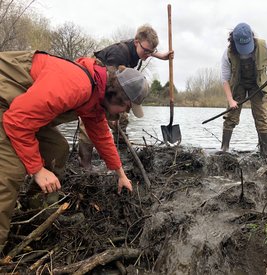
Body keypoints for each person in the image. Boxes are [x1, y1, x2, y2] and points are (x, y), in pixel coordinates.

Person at [0, 50, 149, 253]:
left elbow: (102, 137)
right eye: (126, 108)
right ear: (117, 96)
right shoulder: (75, 85)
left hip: (23, 106)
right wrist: (37, 170)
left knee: (58, 149)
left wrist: (120, 174)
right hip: (6, 100)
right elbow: (16, 121)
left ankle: (36, 208)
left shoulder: (97, 96)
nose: (124, 114)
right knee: (11, 172)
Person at [78, 24, 173, 169]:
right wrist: (112, 118)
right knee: (91, 122)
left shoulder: (138, 47)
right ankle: (85, 165)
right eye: (146, 51)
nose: (148, 55)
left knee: (122, 119)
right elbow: (113, 87)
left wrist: (160, 55)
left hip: (112, 82)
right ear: (136, 42)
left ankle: (122, 153)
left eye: (151, 52)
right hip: (95, 82)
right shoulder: (118, 54)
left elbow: (146, 48)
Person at [220, 22, 267, 159]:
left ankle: (265, 151)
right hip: (238, 84)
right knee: (231, 115)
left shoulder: (263, 45)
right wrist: (231, 101)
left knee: (262, 116)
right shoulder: (228, 53)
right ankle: (224, 148)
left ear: (252, 38)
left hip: (258, 84)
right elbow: (225, 79)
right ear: (234, 41)